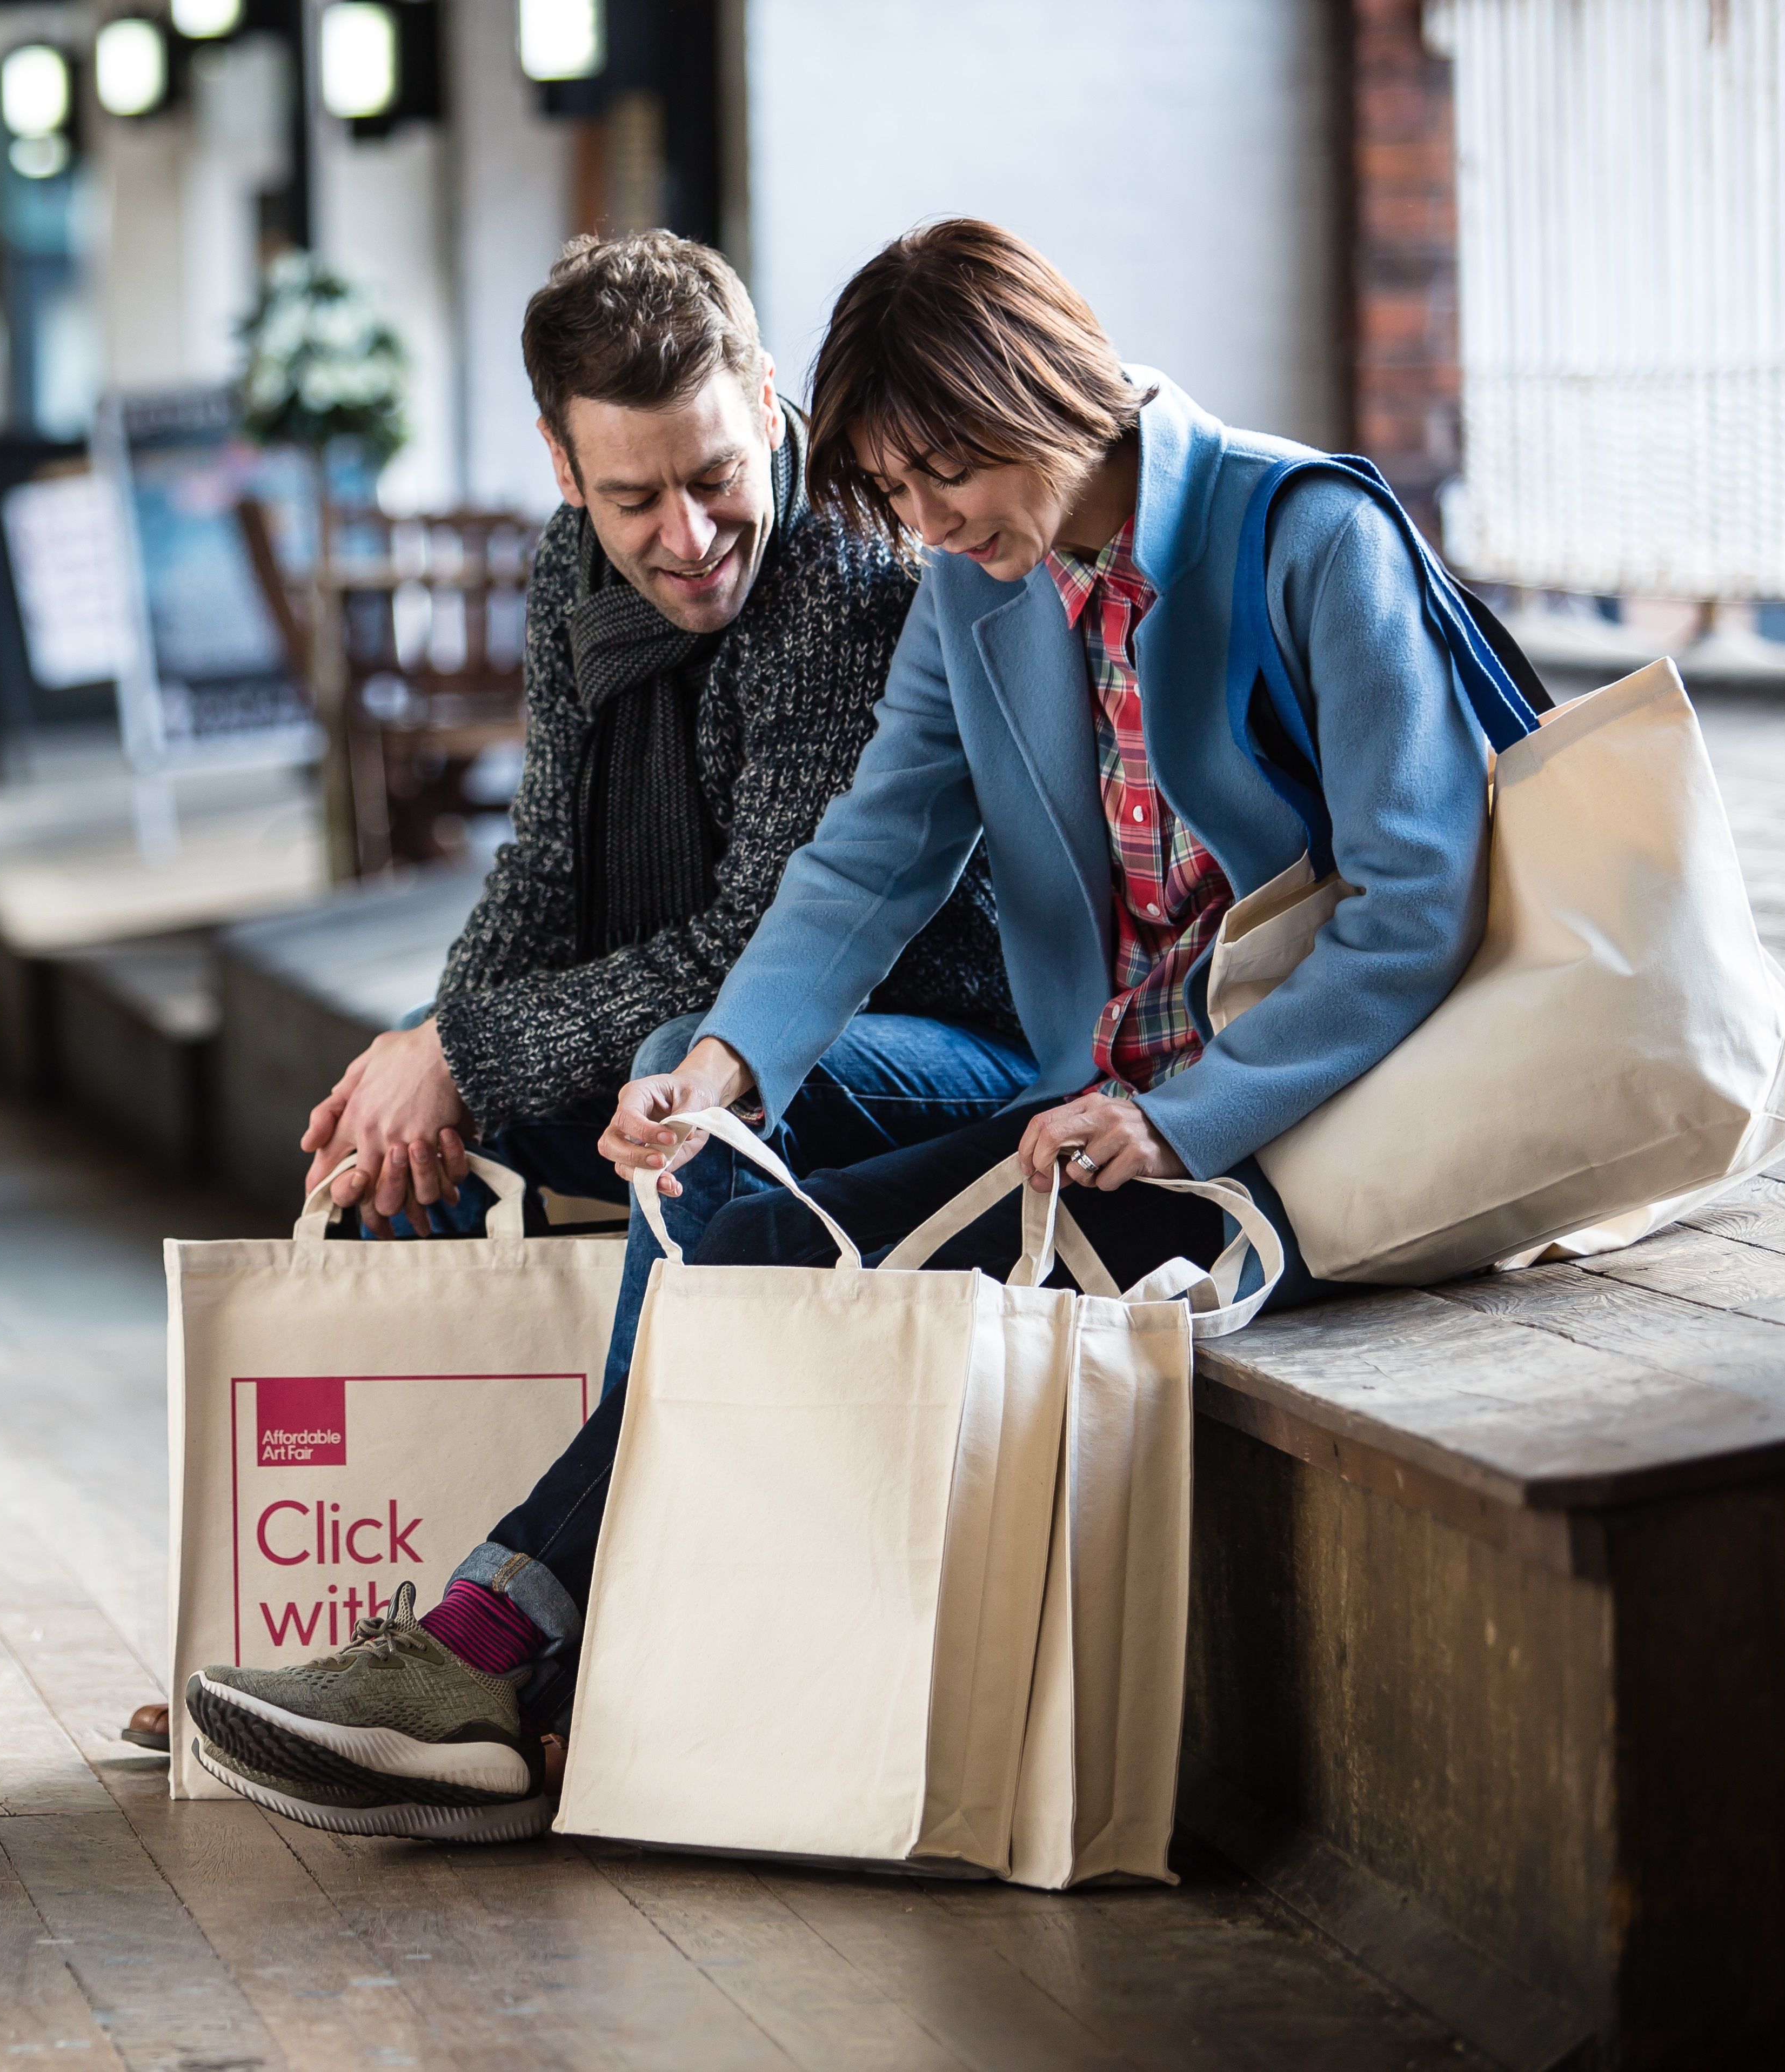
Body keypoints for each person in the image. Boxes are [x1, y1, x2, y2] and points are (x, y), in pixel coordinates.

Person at [184, 219, 1497, 1841]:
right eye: (906, 486)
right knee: (719, 1200)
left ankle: (494, 1648)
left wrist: (1184, 1120)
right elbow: (867, 854)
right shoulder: (977, 583)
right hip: (1098, 1115)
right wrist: (720, 1070)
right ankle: (490, 1651)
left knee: (747, 1236)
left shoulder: (1308, 536)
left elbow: (1415, 904)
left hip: (1276, 1140)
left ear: (1046, 386)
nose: (933, 522)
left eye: (951, 471)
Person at [118, 229, 1032, 1759]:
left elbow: (760, 948)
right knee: (404, 1155)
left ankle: (526, 1663)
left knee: (681, 1105)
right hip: (700, 1038)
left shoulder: (850, 574)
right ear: (561, 464)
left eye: (717, 474)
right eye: (633, 498)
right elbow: (545, 866)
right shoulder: (571, 572)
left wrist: (468, 1042)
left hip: (922, 1045)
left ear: (759, 394)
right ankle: (321, 1645)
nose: (687, 535)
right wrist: (427, 1056)